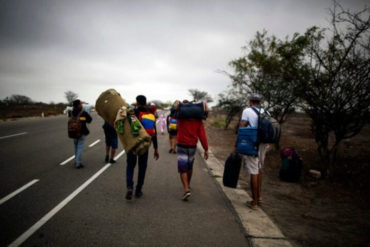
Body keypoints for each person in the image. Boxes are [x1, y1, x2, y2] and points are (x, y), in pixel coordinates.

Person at [237, 94, 269, 209]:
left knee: (253, 171)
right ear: (259, 102)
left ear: (250, 101)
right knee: (259, 169)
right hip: (264, 144)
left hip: (253, 143)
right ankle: (259, 197)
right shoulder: (265, 111)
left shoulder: (247, 110)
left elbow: (243, 127)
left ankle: (254, 202)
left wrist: (238, 144)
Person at [125, 95, 159, 200]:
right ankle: (138, 190)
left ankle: (129, 187)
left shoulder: (133, 113)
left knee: (130, 166)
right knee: (142, 167)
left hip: (133, 144)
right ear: (145, 102)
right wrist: (156, 148)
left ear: (137, 102)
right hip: (145, 144)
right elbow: (154, 132)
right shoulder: (150, 114)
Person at [176, 100, 208, 201]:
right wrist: (206, 149)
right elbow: (202, 135)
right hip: (192, 146)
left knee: (182, 168)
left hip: (181, 145)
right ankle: (188, 185)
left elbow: (174, 109)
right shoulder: (198, 121)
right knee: (189, 166)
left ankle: (186, 189)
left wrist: (178, 104)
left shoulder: (181, 119)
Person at [69, 99, 92, 169]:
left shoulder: (71, 112)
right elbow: (90, 120)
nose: (82, 105)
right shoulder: (83, 113)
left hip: (73, 131)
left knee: (76, 147)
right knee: (80, 147)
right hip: (81, 132)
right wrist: (84, 119)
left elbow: (70, 119)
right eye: (81, 104)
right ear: (78, 105)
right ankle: (78, 163)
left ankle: (76, 160)